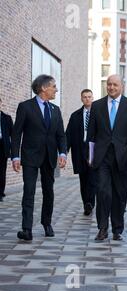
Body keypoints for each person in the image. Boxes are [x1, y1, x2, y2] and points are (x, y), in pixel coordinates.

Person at [87, 75, 127, 241]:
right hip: (101, 156)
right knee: (103, 192)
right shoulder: (96, 106)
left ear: (122, 86)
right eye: (109, 84)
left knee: (119, 193)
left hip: (122, 156)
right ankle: (102, 228)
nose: (111, 87)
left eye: (115, 85)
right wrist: (89, 155)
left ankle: (117, 228)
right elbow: (91, 133)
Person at [11, 75, 67, 241]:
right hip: (30, 157)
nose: (56, 89)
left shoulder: (55, 110)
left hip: (49, 157)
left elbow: (61, 135)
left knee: (48, 192)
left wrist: (62, 153)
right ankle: (26, 228)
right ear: (43, 88)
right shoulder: (25, 107)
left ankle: (46, 223)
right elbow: (16, 134)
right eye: (53, 86)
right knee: (29, 192)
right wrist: (15, 156)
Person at [66, 89, 97, 216]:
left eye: (89, 97)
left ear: (92, 98)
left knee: (92, 178)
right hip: (79, 150)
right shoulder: (75, 116)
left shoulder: (98, 114)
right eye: (85, 97)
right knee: (83, 179)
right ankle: (86, 203)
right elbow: (68, 135)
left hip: (93, 149)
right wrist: (64, 151)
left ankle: (90, 202)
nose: (87, 99)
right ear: (81, 99)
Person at [0, 97, 13, 202]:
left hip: (2, 147)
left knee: (1, 171)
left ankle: (0, 192)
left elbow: (13, 135)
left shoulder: (6, 118)